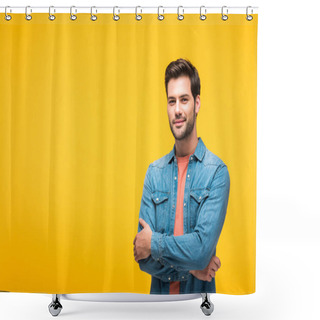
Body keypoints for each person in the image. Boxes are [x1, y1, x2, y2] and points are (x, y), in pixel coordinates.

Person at [133, 58, 230, 294]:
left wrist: (155, 243)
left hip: (197, 307)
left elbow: (200, 250)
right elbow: (141, 256)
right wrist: (194, 269)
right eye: (171, 101)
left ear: (197, 104)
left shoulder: (216, 172)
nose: (177, 109)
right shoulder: (154, 173)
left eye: (184, 100)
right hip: (158, 308)